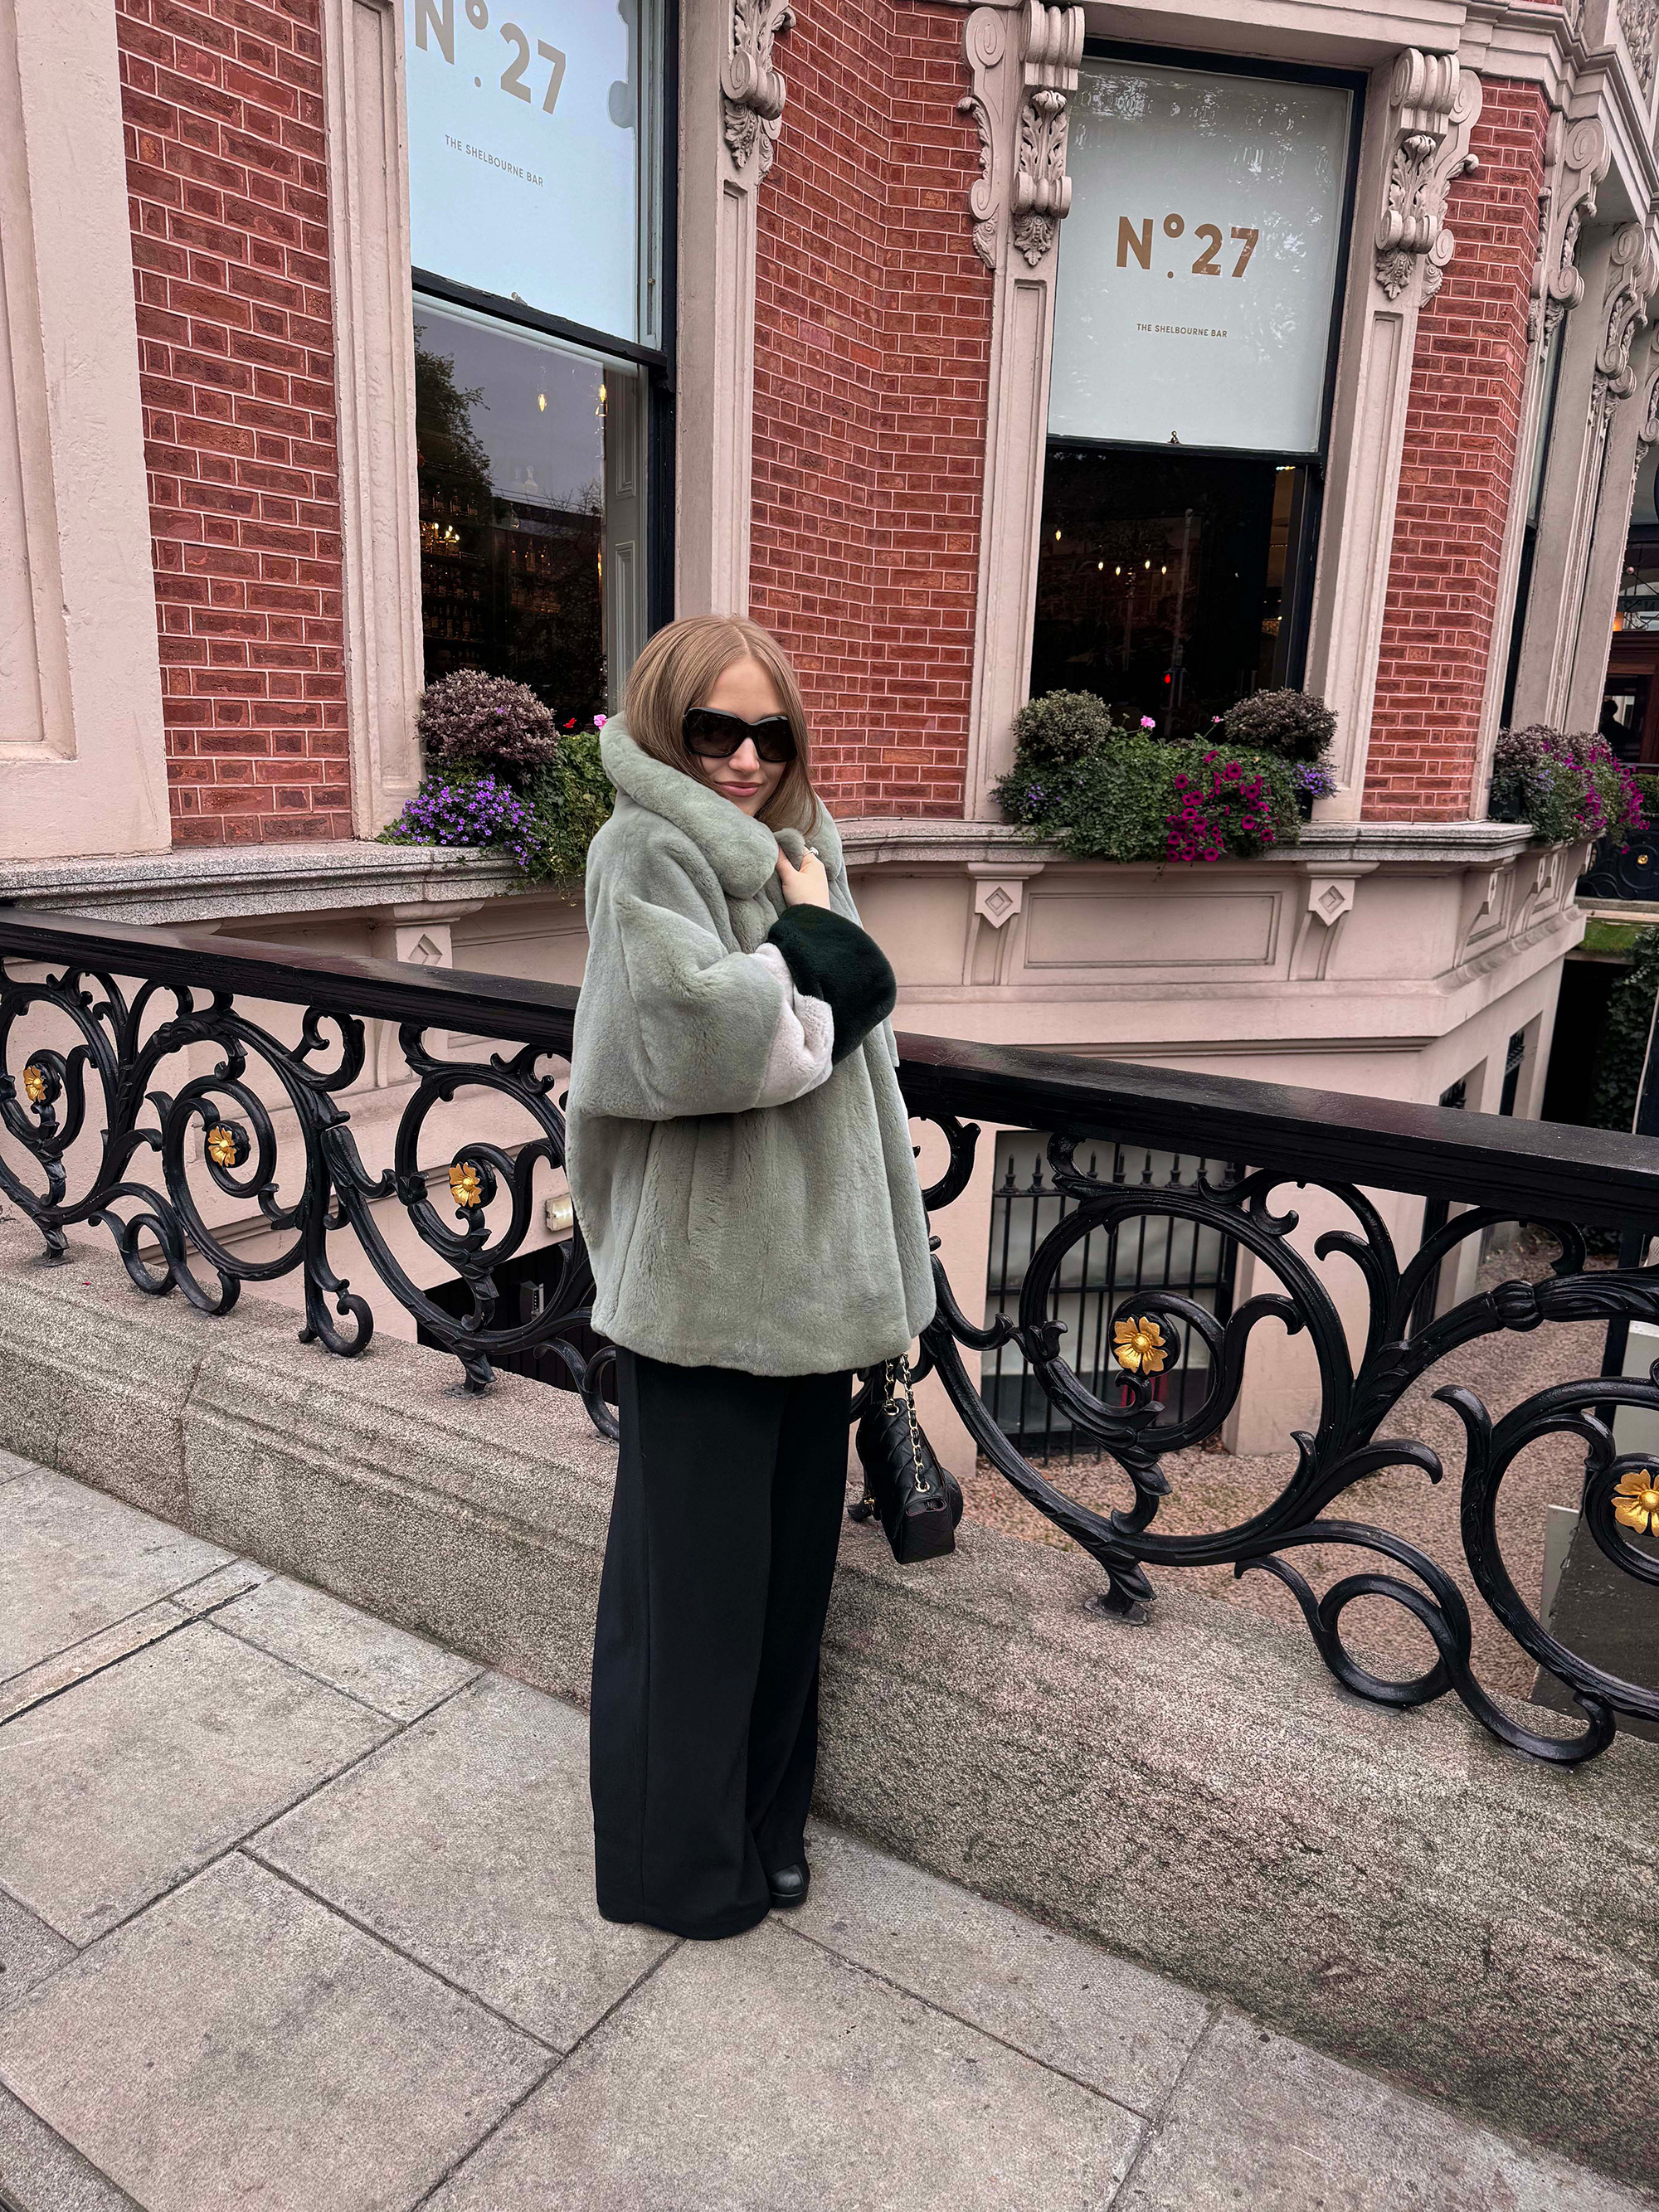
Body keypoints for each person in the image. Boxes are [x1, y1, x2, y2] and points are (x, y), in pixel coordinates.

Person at [564, 614, 936, 1942]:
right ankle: (676, 1867)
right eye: (715, 728)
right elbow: (691, 1041)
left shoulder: (799, 840)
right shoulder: (644, 850)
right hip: (707, 1293)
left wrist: (817, 941)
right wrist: (824, 946)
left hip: (815, 1295)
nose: (743, 757)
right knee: (692, 1609)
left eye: (769, 732)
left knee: (785, 1599)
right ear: (669, 724)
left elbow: (848, 1057)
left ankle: (770, 1832)